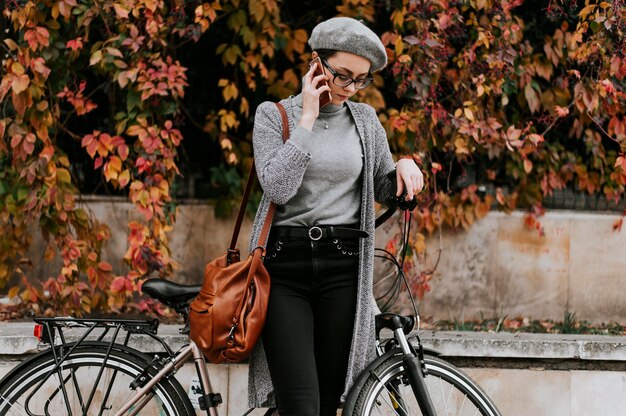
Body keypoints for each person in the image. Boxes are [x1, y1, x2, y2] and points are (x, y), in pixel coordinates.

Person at [246, 17, 424, 416]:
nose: (349, 88)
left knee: (331, 404)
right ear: (315, 63)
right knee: (301, 405)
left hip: (344, 270)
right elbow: (277, 187)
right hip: (283, 270)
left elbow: (380, 185)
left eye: (361, 80)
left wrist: (404, 169)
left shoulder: (365, 121)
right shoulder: (275, 116)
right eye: (341, 75)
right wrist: (307, 119)